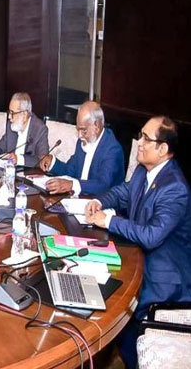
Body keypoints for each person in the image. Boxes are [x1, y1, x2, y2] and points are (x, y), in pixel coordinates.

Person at [85, 116, 191, 368]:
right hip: (137, 259)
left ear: (163, 149)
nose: (139, 142)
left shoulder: (175, 188)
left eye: (145, 138)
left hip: (163, 280)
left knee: (108, 306)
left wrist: (108, 221)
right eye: (140, 135)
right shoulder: (144, 171)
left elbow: (151, 236)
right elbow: (122, 192)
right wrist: (99, 201)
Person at [39, 101, 124, 195]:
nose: (80, 136)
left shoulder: (112, 149)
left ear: (97, 126)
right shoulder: (83, 141)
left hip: (101, 201)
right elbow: (70, 170)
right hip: (79, 199)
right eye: (78, 130)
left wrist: (72, 185)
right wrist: (52, 162)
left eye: (83, 130)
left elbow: (103, 185)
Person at [0, 92, 48, 167]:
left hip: (28, 171)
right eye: (9, 112)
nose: (9, 117)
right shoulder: (12, 125)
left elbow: (43, 160)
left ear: (24, 115)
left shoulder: (40, 129)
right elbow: (1, 146)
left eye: (12, 113)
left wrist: (18, 159)